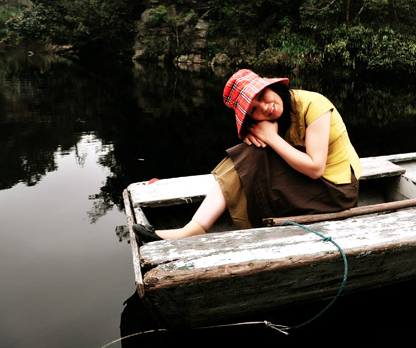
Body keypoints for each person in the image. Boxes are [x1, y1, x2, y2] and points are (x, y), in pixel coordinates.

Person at [133, 69, 361, 242]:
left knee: (250, 157)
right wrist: (258, 138)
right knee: (248, 153)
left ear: (272, 87)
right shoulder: (272, 119)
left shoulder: (314, 105)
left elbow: (315, 168)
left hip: (338, 190)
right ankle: (192, 229)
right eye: (254, 109)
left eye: (262, 95)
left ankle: (192, 230)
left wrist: (271, 138)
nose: (266, 107)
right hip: (314, 185)